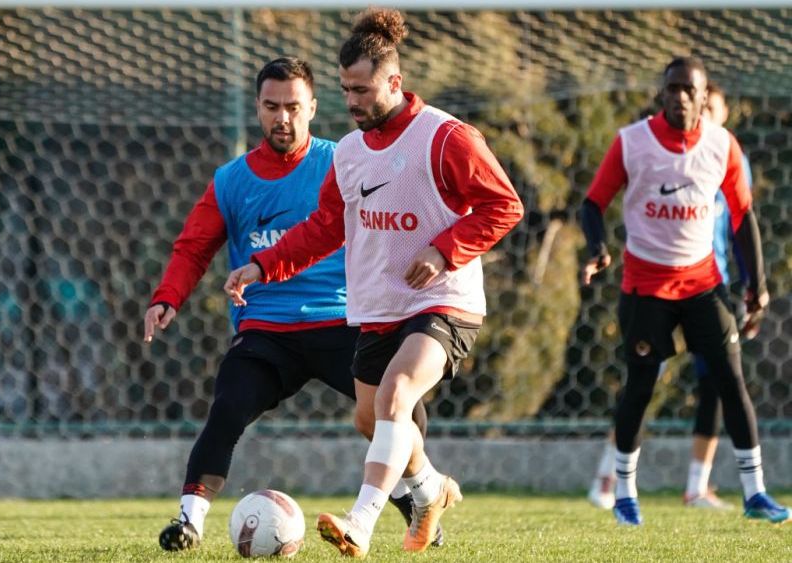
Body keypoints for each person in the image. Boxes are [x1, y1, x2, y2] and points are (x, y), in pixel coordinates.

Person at [225, 9, 523, 557]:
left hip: (443, 301)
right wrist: (264, 265)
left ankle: (360, 523)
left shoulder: (445, 137)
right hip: (380, 307)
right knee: (373, 418)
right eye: (344, 89)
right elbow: (324, 228)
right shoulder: (351, 153)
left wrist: (443, 249)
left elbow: (504, 205)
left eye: (361, 89)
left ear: (394, 82)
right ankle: (431, 490)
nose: (352, 100)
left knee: (396, 395)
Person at [144, 56, 434, 552]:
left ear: (313, 108)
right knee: (227, 408)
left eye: (293, 107)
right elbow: (193, 247)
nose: (283, 118)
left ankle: (419, 503)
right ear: (257, 108)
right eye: (272, 106)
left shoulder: (346, 160)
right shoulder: (232, 180)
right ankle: (189, 522)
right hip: (266, 332)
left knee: (404, 410)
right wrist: (167, 298)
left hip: (341, 321)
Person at [580, 56, 788, 526]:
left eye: (687, 90)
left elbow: (743, 218)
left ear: (702, 97)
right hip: (645, 286)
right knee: (640, 385)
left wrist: (757, 284)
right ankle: (624, 494)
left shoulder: (721, 145)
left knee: (730, 380)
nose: (678, 96)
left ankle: (755, 492)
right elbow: (592, 204)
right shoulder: (631, 143)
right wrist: (597, 247)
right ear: (662, 94)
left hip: (702, 285)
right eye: (670, 88)